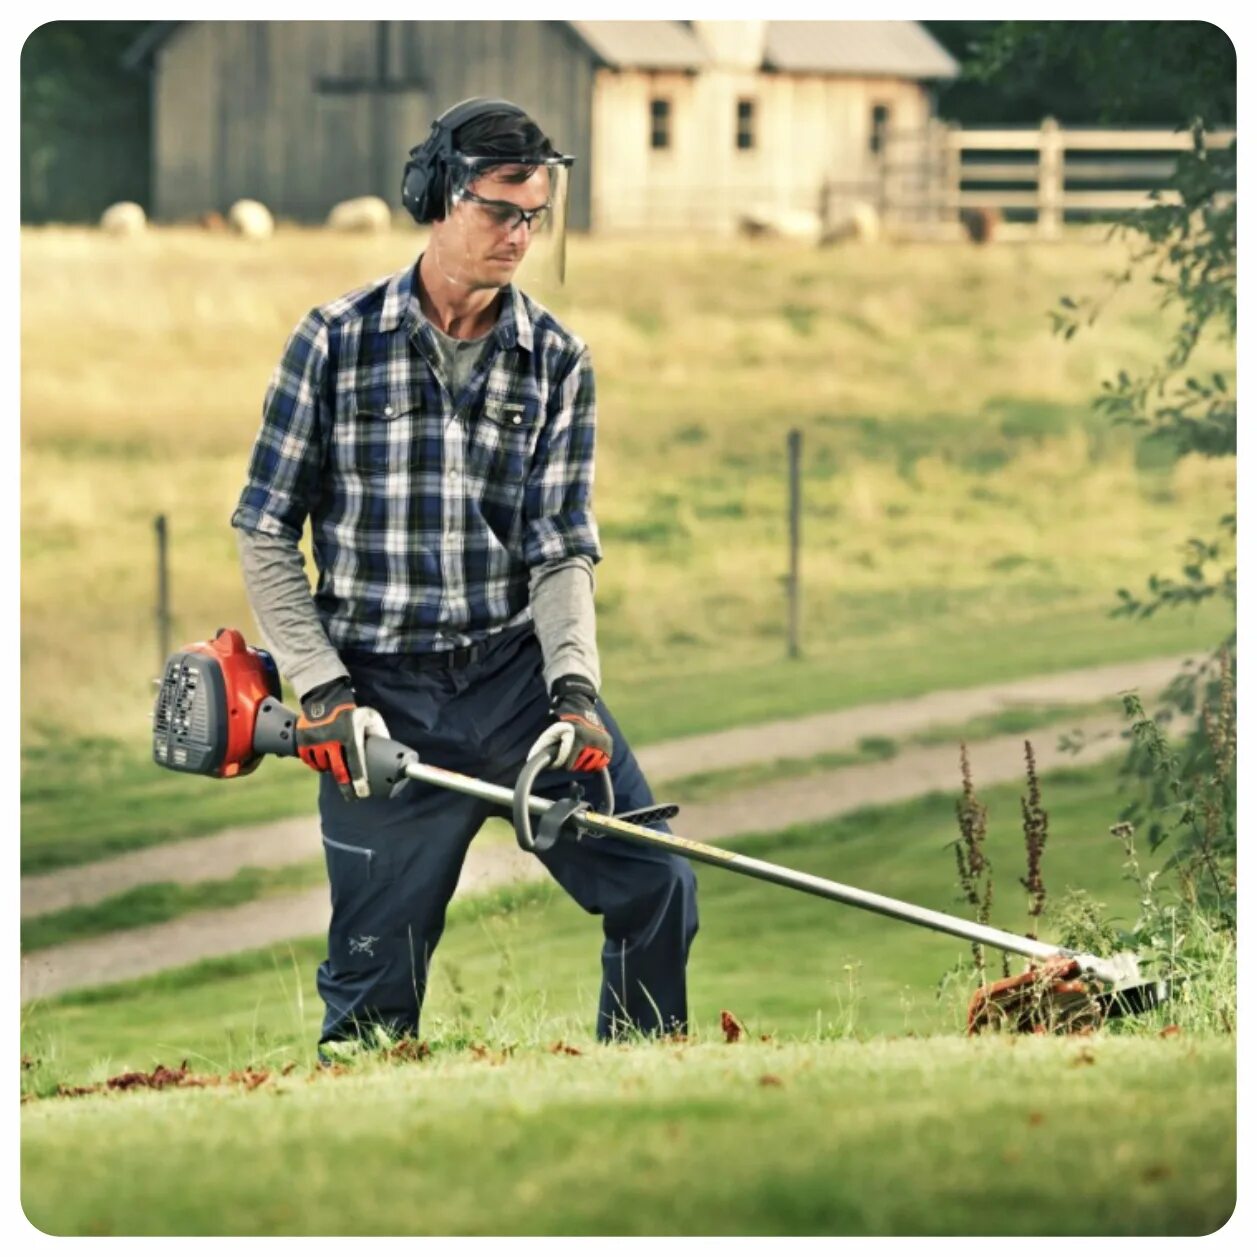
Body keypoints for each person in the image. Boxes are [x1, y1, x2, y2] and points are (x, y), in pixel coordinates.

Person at [230, 98, 698, 1053]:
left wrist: (574, 694)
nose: (520, 236)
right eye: (500, 211)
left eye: (535, 216)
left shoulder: (556, 360)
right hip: (380, 699)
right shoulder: (333, 341)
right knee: (371, 987)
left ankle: (645, 1092)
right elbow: (265, 529)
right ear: (438, 197)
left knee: (655, 883)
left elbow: (559, 545)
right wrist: (323, 692)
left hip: (515, 685)